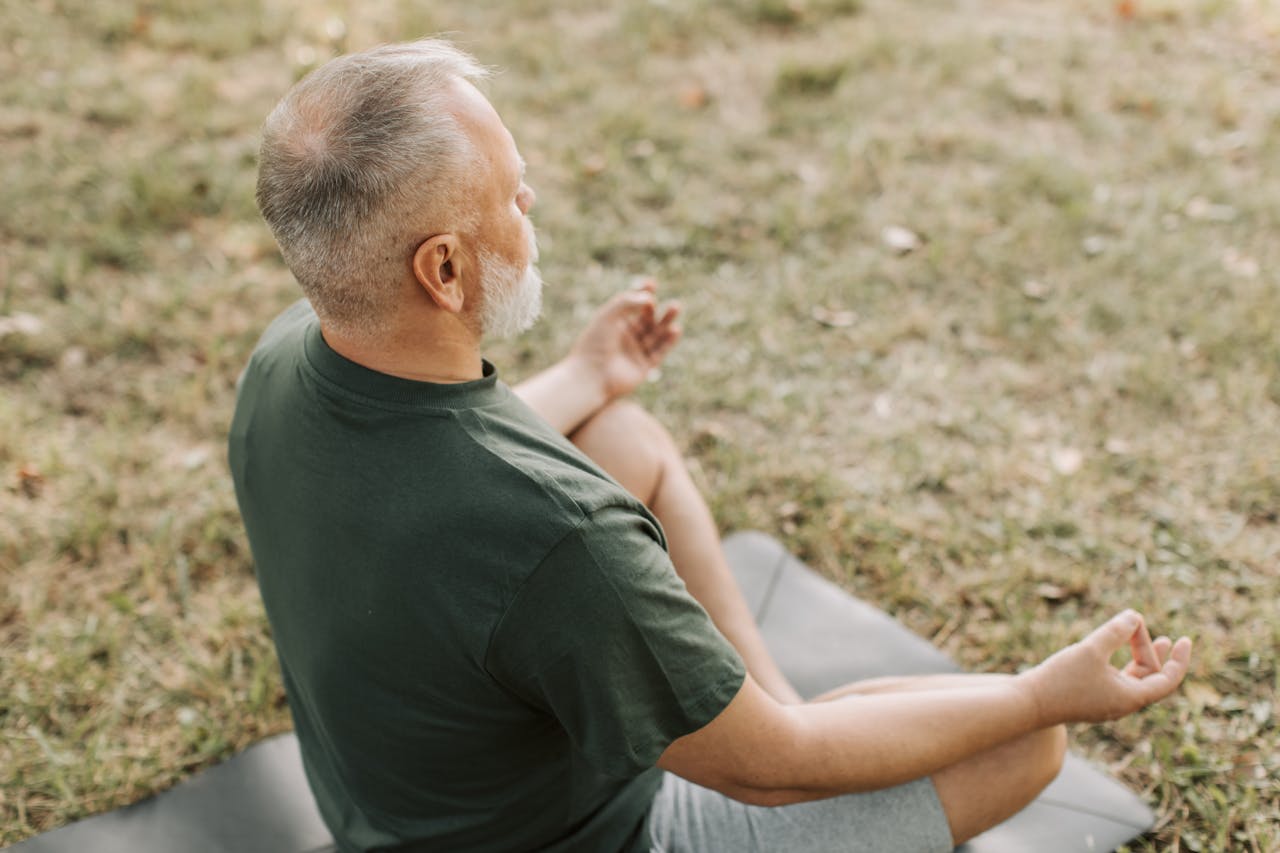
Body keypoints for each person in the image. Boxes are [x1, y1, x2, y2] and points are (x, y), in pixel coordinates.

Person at [230, 39, 1193, 853]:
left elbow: (428, 461)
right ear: (443, 268)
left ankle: (757, 694)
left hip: (388, 811)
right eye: (515, 199)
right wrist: (1038, 693)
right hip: (610, 831)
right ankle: (773, 708)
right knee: (1025, 746)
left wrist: (586, 375)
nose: (532, 211)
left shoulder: (281, 361)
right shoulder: (556, 541)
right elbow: (774, 776)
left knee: (620, 432)